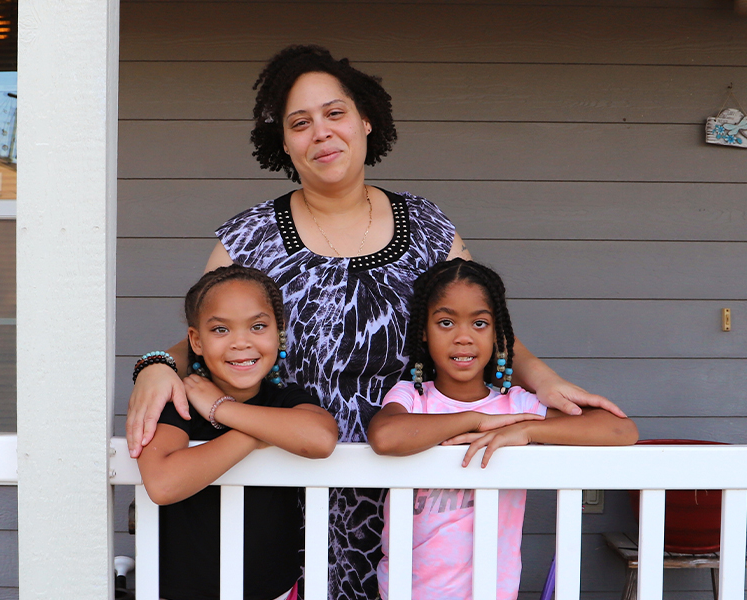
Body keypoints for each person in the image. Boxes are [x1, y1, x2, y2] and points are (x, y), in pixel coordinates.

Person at [126, 45, 626, 600]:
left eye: (335, 113)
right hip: (281, 477)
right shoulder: (248, 236)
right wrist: (152, 366)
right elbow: (208, 337)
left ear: (365, 120)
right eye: (300, 122)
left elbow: (473, 322)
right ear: (284, 142)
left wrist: (543, 379)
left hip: (404, 489)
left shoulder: (429, 227)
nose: (321, 133)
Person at [367, 259, 639, 600]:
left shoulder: (516, 406)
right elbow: (385, 435)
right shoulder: (413, 397)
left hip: (492, 591)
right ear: (423, 330)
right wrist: (476, 421)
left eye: (479, 323)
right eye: (446, 322)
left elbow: (620, 430)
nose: (463, 337)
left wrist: (525, 431)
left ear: (498, 335)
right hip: (407, 592)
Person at [137, 265, 339, 600]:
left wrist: (223, 409)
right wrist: (261, 433)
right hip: (180, 593)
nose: (241, 342)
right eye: (220, 330)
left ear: (279, 332)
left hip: (274, 590)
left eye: (258, 326)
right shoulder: (180, 402)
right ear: (196, 341)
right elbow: (162, 483)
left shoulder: (284, 397)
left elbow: (320, 438)